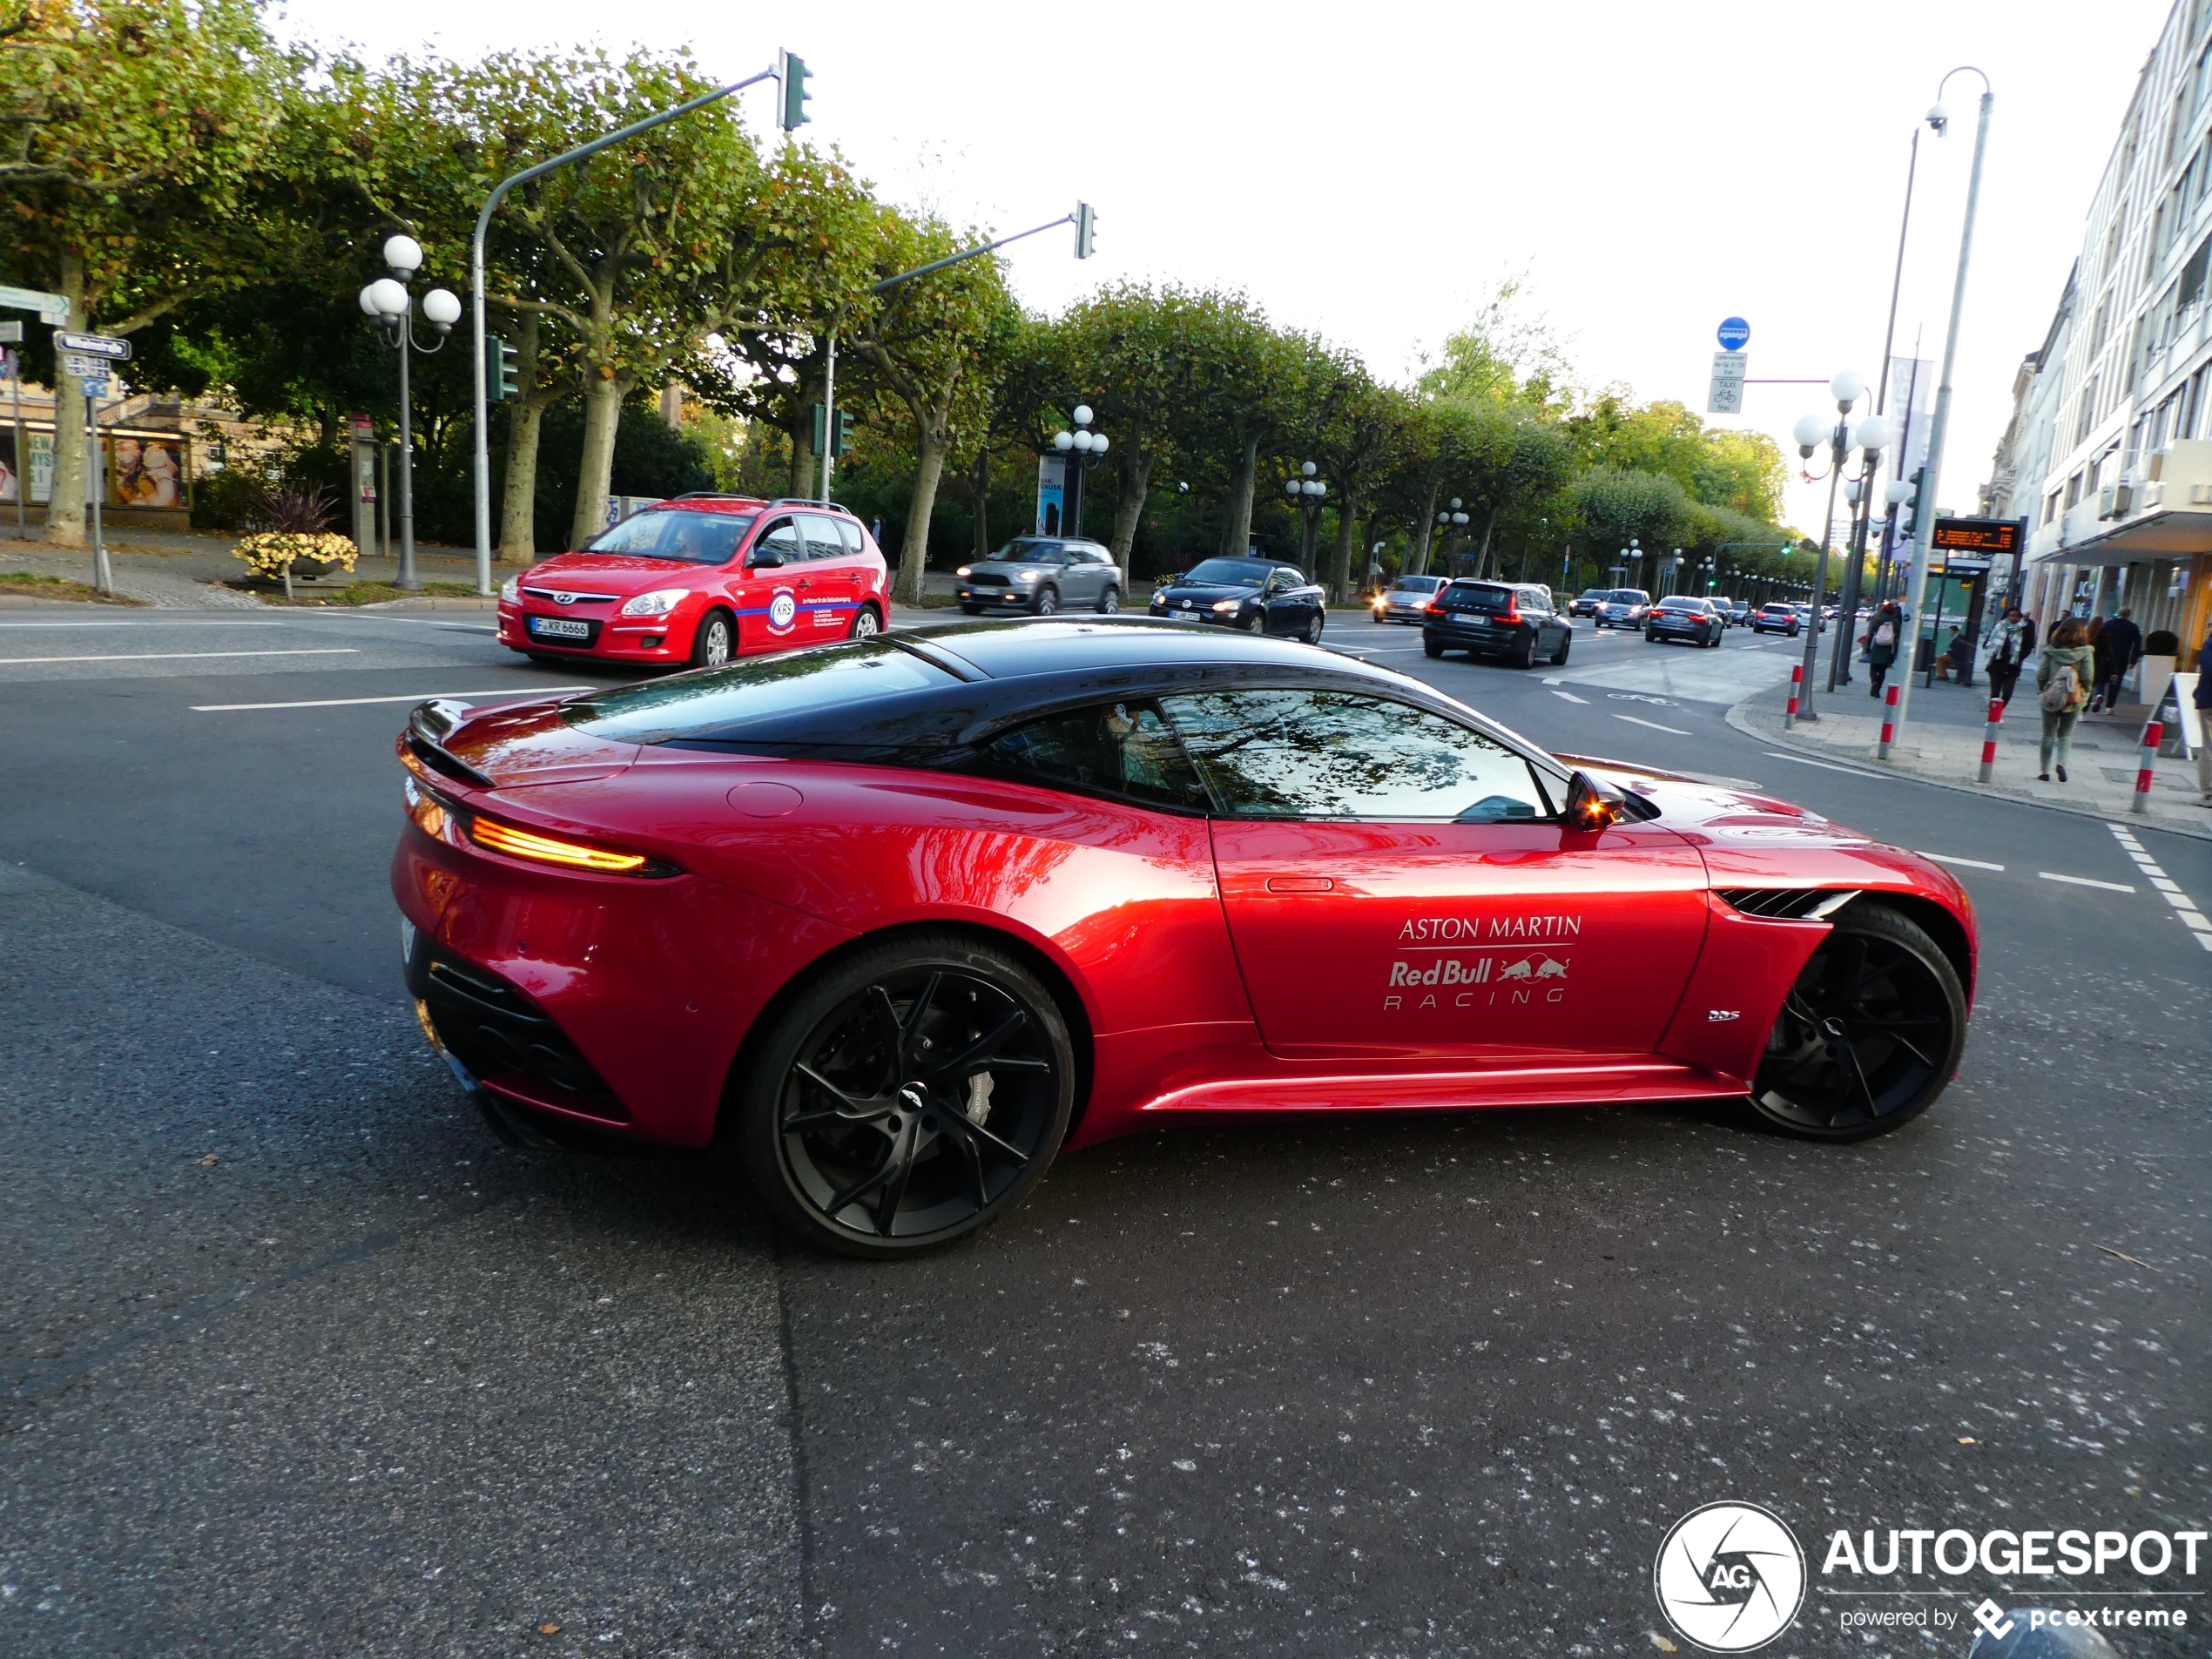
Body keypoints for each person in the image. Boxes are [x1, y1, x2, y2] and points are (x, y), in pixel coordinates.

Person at [2034, 616, 2095, 784]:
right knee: (2066, 734)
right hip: (2074, 698)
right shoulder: (2086, 652)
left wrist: (2042, 688)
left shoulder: (2051, 650)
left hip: (2051, 697)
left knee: (2048, 735)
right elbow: (2088, 676)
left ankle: (2044, 771)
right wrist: (2086, 693)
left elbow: (2041, 674)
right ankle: (2061, 763)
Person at [2094, 606, 2142, 711]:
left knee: (2101, 678)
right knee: (2116, 681)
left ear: (2118, 613)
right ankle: (2109, 707)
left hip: (2105, 657)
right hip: (2122, 658)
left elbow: (2099, 640)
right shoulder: (2133, 627)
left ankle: (2099, 694)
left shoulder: (2108, 624)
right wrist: (2133, 660)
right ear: (2129, 615)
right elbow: (2137, 644)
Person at [1984, 606, 2033, 709]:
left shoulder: (2024, 629)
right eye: (2012, 616)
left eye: (2017, 616)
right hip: (1996, 664)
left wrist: (2019, 657)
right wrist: (1992, 651)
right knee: (1995, 693)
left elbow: (2029, 646)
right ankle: (1993, 715)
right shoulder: (1998, 627)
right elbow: (1987, 643)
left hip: (2012, 666)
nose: (2014, 618)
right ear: (2007, 616)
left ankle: (1998, 710)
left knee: (2007, 693)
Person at [1865, 601, 1901, 697]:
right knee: (1882, 670)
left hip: (1877, 646)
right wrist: (1895, 652)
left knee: (1873, 668)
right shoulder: (1895, 621)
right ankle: (1877, 690)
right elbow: (1897, 636)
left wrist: (1867, 647)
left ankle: (1874, 682)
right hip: (1889, 648)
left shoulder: (1878, 619)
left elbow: (1870, 634)